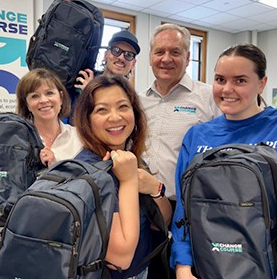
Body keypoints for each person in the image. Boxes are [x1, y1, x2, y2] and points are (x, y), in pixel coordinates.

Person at [170, 43, 277, 279]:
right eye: (220, 79)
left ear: (261, 83)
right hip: (206, 264)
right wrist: (183, 265)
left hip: (264, 265)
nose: (227, 89)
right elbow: (183, 209)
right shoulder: (197, 136)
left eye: (240, 80)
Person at [73, 75, 172, 278]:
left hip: (143, 269)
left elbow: (161, 220)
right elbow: (120, 258)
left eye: (123, 106)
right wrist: (128, 181)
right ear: (87, 119)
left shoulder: (127, 158)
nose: (115, 117)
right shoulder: (88, 171)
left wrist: (155, 189)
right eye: (102, 110)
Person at [139, 23, 221, 207]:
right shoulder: (138, 100)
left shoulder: (209, 97)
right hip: (142, 201)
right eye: (159, 52)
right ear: (151, 58)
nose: (166, 59)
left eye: (175, 52)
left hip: (187, 205)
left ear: (188, 57)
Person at [56, 0, 140, 91]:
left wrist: (90, 92)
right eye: (116, 50)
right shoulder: (82, 76)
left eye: (129, 55)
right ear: (106, 54)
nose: (121, 57)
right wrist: (66, 7)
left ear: (133, 64)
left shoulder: (130, 98)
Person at [16, 68, 82, 167]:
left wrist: (55, 167)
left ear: (61, 97)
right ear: (27, 104)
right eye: (35, 96)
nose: (43, 100)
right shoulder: (18, 140)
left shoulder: (80, 138)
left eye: (49, 93)